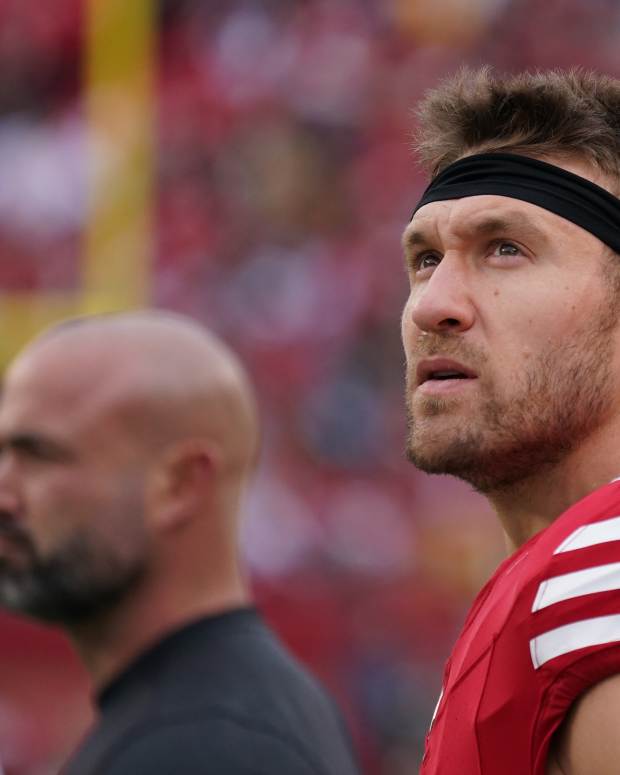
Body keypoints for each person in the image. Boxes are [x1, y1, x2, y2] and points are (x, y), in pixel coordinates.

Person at [0, 311, 360, 775]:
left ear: (181, 485)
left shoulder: (202, 746)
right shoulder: (233, 712)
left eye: (41, 457)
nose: (5, 494)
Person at [402, 67, 620, 775]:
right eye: (426, 258)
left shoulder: (594, 593)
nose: (433, 303)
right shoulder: (549, 589)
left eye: (505, 248)